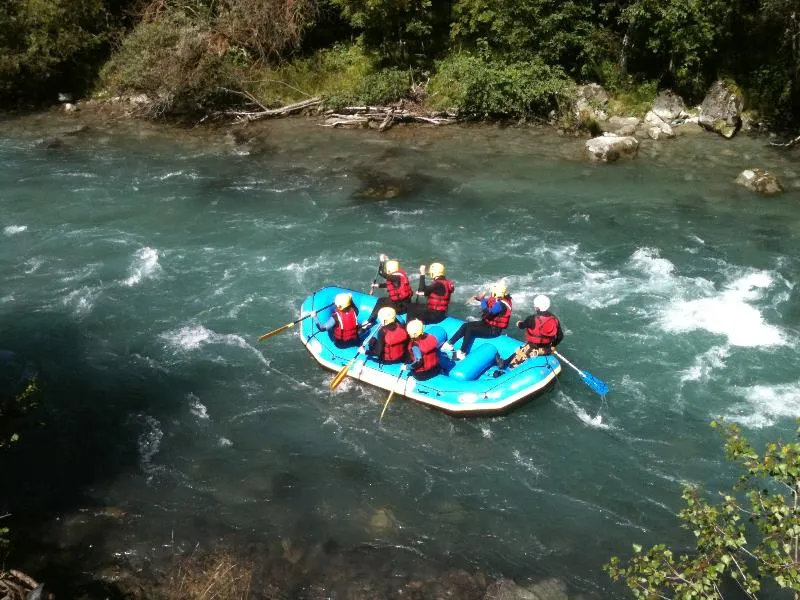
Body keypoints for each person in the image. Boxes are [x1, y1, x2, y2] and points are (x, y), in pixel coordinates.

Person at [441, 282, 512, 360]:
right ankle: (449, 343)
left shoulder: (500, 305)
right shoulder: (499, 300)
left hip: (493, 330)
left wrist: (482, 300)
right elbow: (489, 302)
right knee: (466, 325)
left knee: (470, 329)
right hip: (487, 324)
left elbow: (487, 312)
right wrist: (478, 298)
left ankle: (462, 352)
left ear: (496, 293)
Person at [496, 294, 563, 371]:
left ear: (537, 307)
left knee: (520, 350)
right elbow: (560, 336)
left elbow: (522, 326)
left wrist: (519, 323)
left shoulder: (531, 319)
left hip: (533, 347)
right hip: (547, 348)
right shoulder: (555, 319)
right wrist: (553, 345)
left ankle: (504, 364)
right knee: (527, 348)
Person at [362, 254, 413, 330]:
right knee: (387, 300)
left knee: (381, 301)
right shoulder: (398, 276)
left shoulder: (395, 277)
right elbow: (391, 285)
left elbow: (381, 272)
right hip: (406, 305)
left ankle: (369, 321)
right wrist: (378, 285)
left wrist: (382, 260)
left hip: (400, 308)